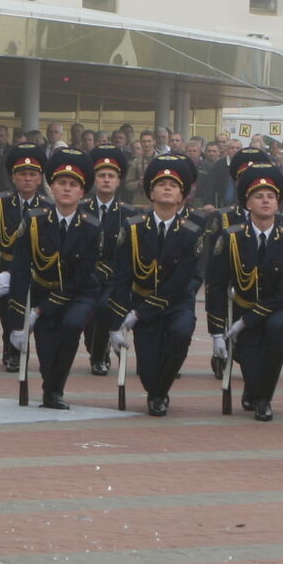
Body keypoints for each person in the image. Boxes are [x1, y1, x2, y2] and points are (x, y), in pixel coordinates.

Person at [7, 147, 109, 410]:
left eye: (73, 185)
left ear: (82, 192)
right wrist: (19, 320)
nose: (66, 189)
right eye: (61, 183)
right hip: (42, 290)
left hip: (79, 295)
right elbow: (20, 270)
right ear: (51, 187)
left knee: (71, 326)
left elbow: (82, 276)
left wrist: (40, 310)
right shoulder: (34, 221)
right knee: (46, 346)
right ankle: (50, 386)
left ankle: (54, 392)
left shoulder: (92, 226)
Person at [109, 154, 206, 416]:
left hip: (176, 305)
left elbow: (181, 280)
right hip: (140, 300)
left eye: (173, 186)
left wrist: (139, 314)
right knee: (147, 368)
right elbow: (121, 276)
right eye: (161, 184)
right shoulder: (132, 229)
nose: (166, 188)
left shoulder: (191, 232)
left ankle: (160, 395)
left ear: (181, 197)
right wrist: (116, 321)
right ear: (150, 192)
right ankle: (156, 389)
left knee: (181, 333)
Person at [205, 162, 283, 422]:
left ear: (278, 204)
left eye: (271, 197)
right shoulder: (232, 237)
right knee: (247, 353)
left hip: (280, 309)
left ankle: (263, 399)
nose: (266, 201)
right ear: (248, 204)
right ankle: (253, 387)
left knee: (275, 331)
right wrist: (216, 331)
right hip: (243, 305)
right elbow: (216, 284)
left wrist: (248, 319)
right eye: (259, 196)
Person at [0, 141, 52, 375]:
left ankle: (21, 344)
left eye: (32, 174)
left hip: (37, 268)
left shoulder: (48, 206)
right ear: (13, 178)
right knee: (7, 308)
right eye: (22, 174)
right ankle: (11, 350)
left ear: (39, 179)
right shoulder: (0, 202)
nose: (27, 178)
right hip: (5, 266)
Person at [82, 144, 135, 377]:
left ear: (118, 181)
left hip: (114, 277)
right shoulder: (82, 209)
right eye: (101, 175)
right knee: (87, 317)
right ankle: (96, 349)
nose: (106, 180)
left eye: (110, 176)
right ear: (94, 179)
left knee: (104, 307)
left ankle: (98, 356)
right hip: (86, 275)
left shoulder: (128, 213)